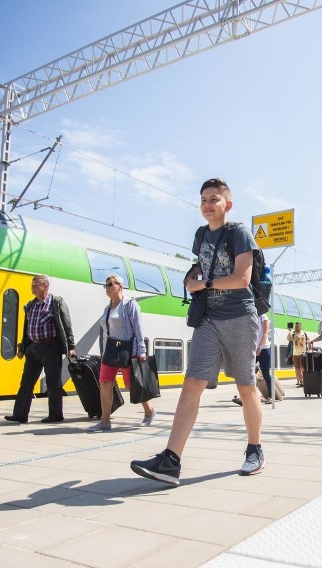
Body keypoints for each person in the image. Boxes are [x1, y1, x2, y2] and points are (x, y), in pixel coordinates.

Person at [130, 178, 264, 485]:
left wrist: (201, 284)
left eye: (214, 199)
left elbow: (242, 279)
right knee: (192, 384)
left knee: (245, 387)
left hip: (240, 318)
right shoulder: (201, 235)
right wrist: (194, 275)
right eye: (203, 199)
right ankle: (170, 461)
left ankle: (255, 449)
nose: (207, 204)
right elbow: (203, 265)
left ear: (227, 205)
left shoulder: (240, 233)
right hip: (209, 318)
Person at [5, 275, 76, 424]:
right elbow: (27, 329)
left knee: (53, 383)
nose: (32, 288)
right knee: (26, 382)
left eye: (36, 285)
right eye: (32, 285)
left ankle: (55, 415)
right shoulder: (31, 305)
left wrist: (70, 347)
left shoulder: (56, 303)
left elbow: (66, 326)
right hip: (33, 347)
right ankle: (20, 415)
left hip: (51, 347)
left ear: (45, 287)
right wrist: (22, 348)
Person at [88, 274, 154, 431]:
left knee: (132, 385)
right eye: (107, 285)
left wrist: (141, 351)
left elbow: (139, 329)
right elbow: (104, 333)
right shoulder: (107, 308)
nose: (109, 287)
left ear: (120, 286)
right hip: (111, 351)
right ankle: (105, 421)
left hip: (127, 350)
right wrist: (103, 351)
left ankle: (149, 411)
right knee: (104, 383)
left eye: (112, 284)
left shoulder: (130, 304)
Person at [256, 312, 273, 403]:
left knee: (266, 374)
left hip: (264, 349)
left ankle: (271, 396)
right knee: (249, 374)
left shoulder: (263, 317)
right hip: (253, 350)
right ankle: (248, 397)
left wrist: (260, 347)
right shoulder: (251, 316)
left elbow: (266, 332)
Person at [287, 322, 309, 387]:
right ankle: (301, 382)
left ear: (300, 327)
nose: (296, 327)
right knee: (297, 369)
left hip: (303, 354)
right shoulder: (293, 334)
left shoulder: (304, 334)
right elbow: (288, 338)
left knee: (303, 369)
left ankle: (305, 381)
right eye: (295, 326)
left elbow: (309, 341)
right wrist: (289, 331)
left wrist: (309, 349)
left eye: (298, 326)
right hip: (295, 354)